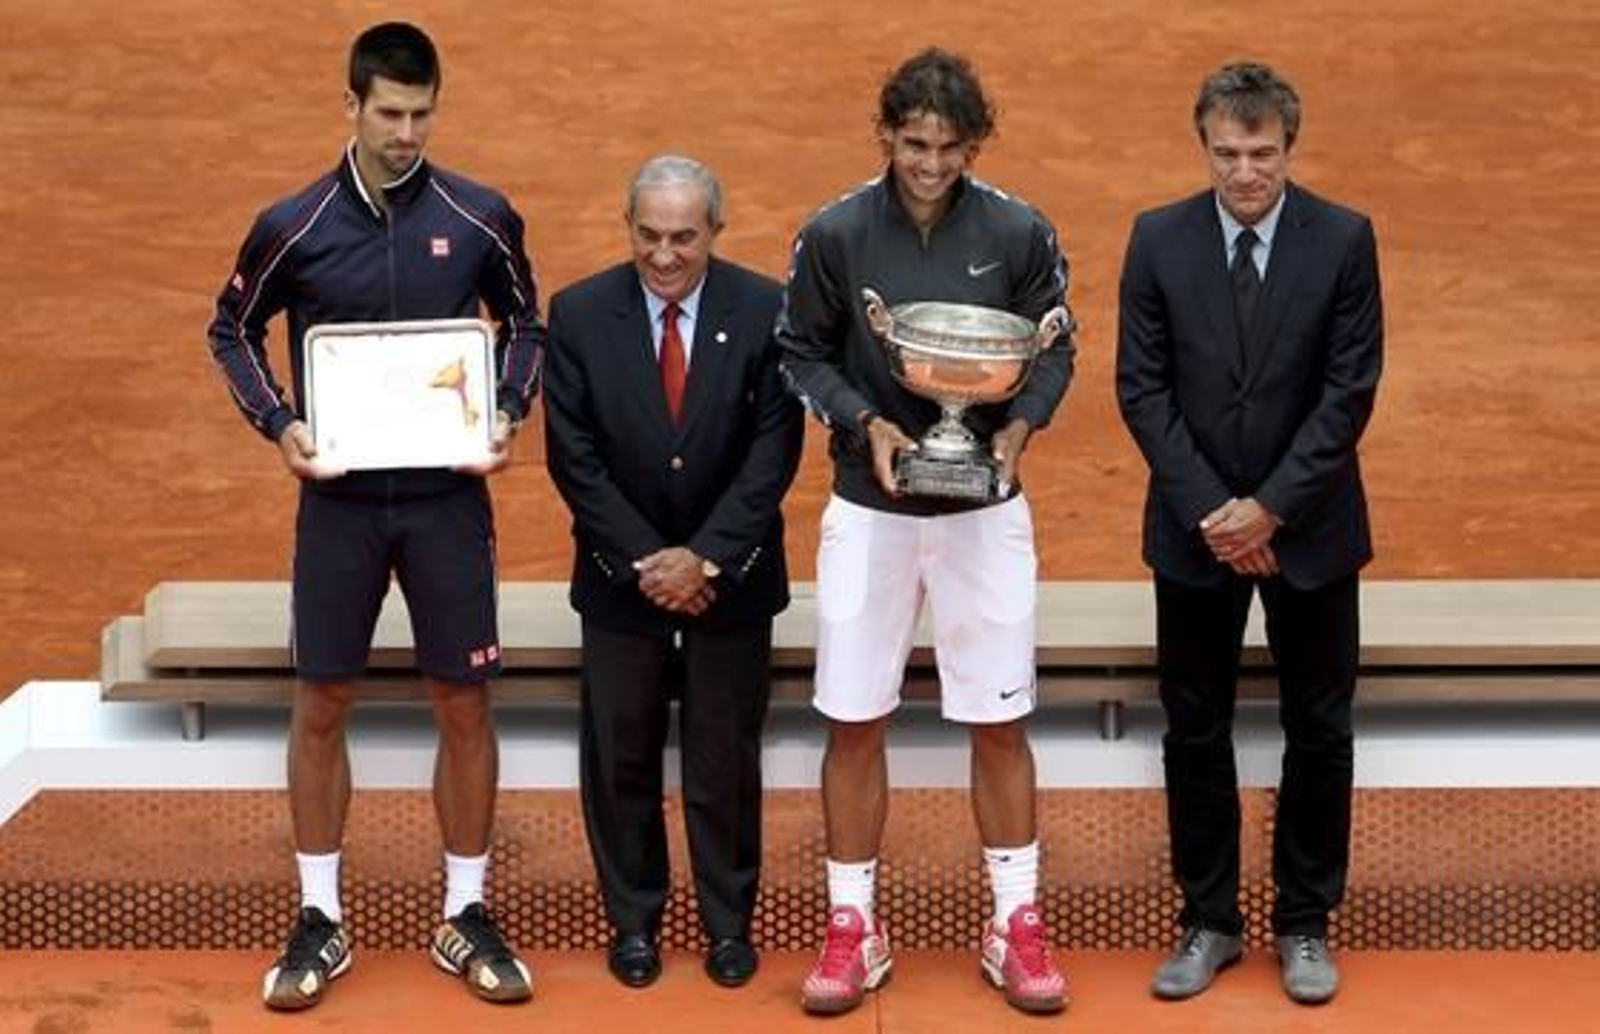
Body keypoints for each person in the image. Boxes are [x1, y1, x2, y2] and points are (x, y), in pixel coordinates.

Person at [206, 22, 543, 1011]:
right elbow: (230, 327)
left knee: (464, 703)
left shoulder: (479, 216)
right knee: (321, 701)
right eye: (388, 113)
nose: (405, 133)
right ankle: (319, 916)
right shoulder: (294, 224)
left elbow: (525, 321)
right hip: (339, 505)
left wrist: (509, 407)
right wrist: (278, 422)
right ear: (348, 107)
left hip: (446, 500)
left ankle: (466, 910)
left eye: (421, 113)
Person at [776, 47, 1074, 1016]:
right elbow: (801, 350)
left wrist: (1018, 432)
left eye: (949, 147)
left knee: (999, 719)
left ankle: (1014, 922)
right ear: (886, 136)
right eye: (914, 144)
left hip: (985, 506)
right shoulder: (833, 233)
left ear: (973, 144)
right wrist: (869, 426)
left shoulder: (1020, 230)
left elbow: (1052, 349)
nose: (931, 163)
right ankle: (852, 923)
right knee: (854, 715)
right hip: (872, 508)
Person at [1115, 61, 1384, 1006]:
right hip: (1194, 533)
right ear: (1205, 147)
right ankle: (1210, 920)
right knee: (1195, 730)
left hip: (1309, 531)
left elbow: (1349, 390)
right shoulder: (1156, 239)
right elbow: (1140, 388)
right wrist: (1214, 512)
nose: (1244, 174)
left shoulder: (1345, 240)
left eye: (1261, 154)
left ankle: (1305, 923)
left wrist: (1268, 508)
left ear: (1289, 147)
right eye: (1227, 153)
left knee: (1321, 729)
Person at [543, 156, 804, 991]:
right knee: (620, 758)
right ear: (629, 228)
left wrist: (707, 557)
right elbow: (574, 459)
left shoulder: (766, 309)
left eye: (683, 237)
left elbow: (773, 450)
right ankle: (634, 925)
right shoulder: (579, 314)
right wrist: (648, 562)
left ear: (715, 233)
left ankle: (728, 927)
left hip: (732, 580)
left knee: (724, 757)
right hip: (624, 586)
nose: (664, 255)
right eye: (648, 236)